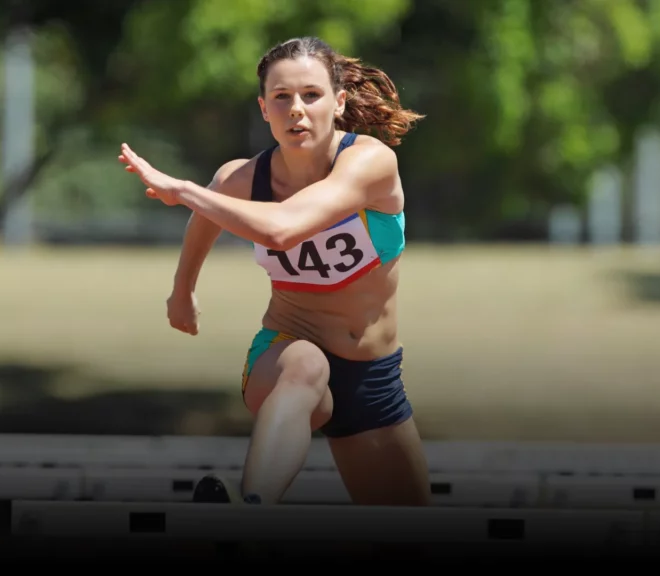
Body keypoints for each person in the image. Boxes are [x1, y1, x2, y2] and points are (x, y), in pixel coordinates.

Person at [118, 36, 431, 508]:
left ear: (338, 101)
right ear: (264, 109)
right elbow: (204, 223)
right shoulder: (241, 180)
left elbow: (283, 229)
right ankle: (251, 510)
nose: (296, 109)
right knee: (308, 362)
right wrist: (182, 292)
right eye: (281, 97)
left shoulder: (369, 162)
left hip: (371, 376)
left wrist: (183, 189)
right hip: (284, 357)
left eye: (311, 94)